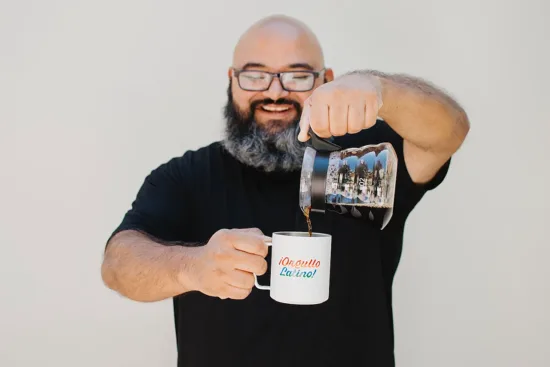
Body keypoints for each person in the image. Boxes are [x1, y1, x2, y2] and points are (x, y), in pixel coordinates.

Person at [101, 14, 470, 367]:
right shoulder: (188, 177)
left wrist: (381, 89)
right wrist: (192, 268)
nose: (274, 92)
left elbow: (449, 131)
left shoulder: (364, 163)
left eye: (297, 76)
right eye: (255, 75)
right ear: (232, 80)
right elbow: (118, 263)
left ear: (325, 80)